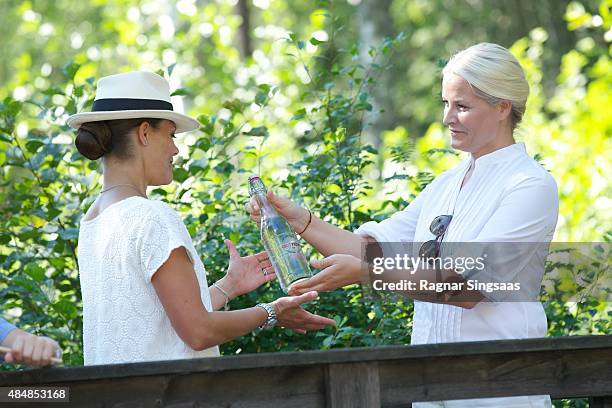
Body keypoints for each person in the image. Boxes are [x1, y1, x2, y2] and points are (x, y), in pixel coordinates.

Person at [247, 43, 558, 407]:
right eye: (446, 104)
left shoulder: (529, 186)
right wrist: (302, 221)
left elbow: (469, 288)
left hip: (499, 393)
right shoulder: (446, 184)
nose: (447, 118)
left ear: (503, 107)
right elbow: (370, 248)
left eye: (462, 106)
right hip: (430, 390)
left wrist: (367, 274)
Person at [66, 71, 334, 365]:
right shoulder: (150, 216)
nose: (175, 149)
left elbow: (155, 322)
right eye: (170, 135)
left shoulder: (93, 220)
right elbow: (197, 331)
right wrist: (272, 311)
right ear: (144, 133)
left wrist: (228, 285)